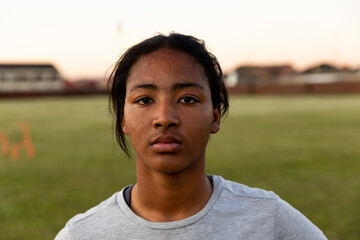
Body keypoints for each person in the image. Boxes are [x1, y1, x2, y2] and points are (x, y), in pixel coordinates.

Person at [55, 33, 327, 240]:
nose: (164, 117)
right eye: (144, 99)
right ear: (123, 118)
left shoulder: (268, 218)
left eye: (187, 99)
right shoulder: (82, 234)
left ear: (216, 116)